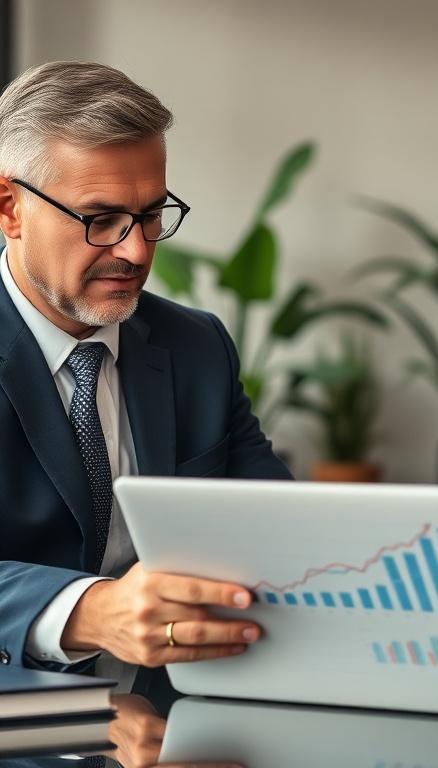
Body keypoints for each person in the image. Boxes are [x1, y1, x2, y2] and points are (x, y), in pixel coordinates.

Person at [0, 61, 291, 682]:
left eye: (152, 214)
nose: (136, 250)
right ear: (10, 208)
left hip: (192, 710)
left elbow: (281, 530)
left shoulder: (196, 345)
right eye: (100, 219)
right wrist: (89, 612)